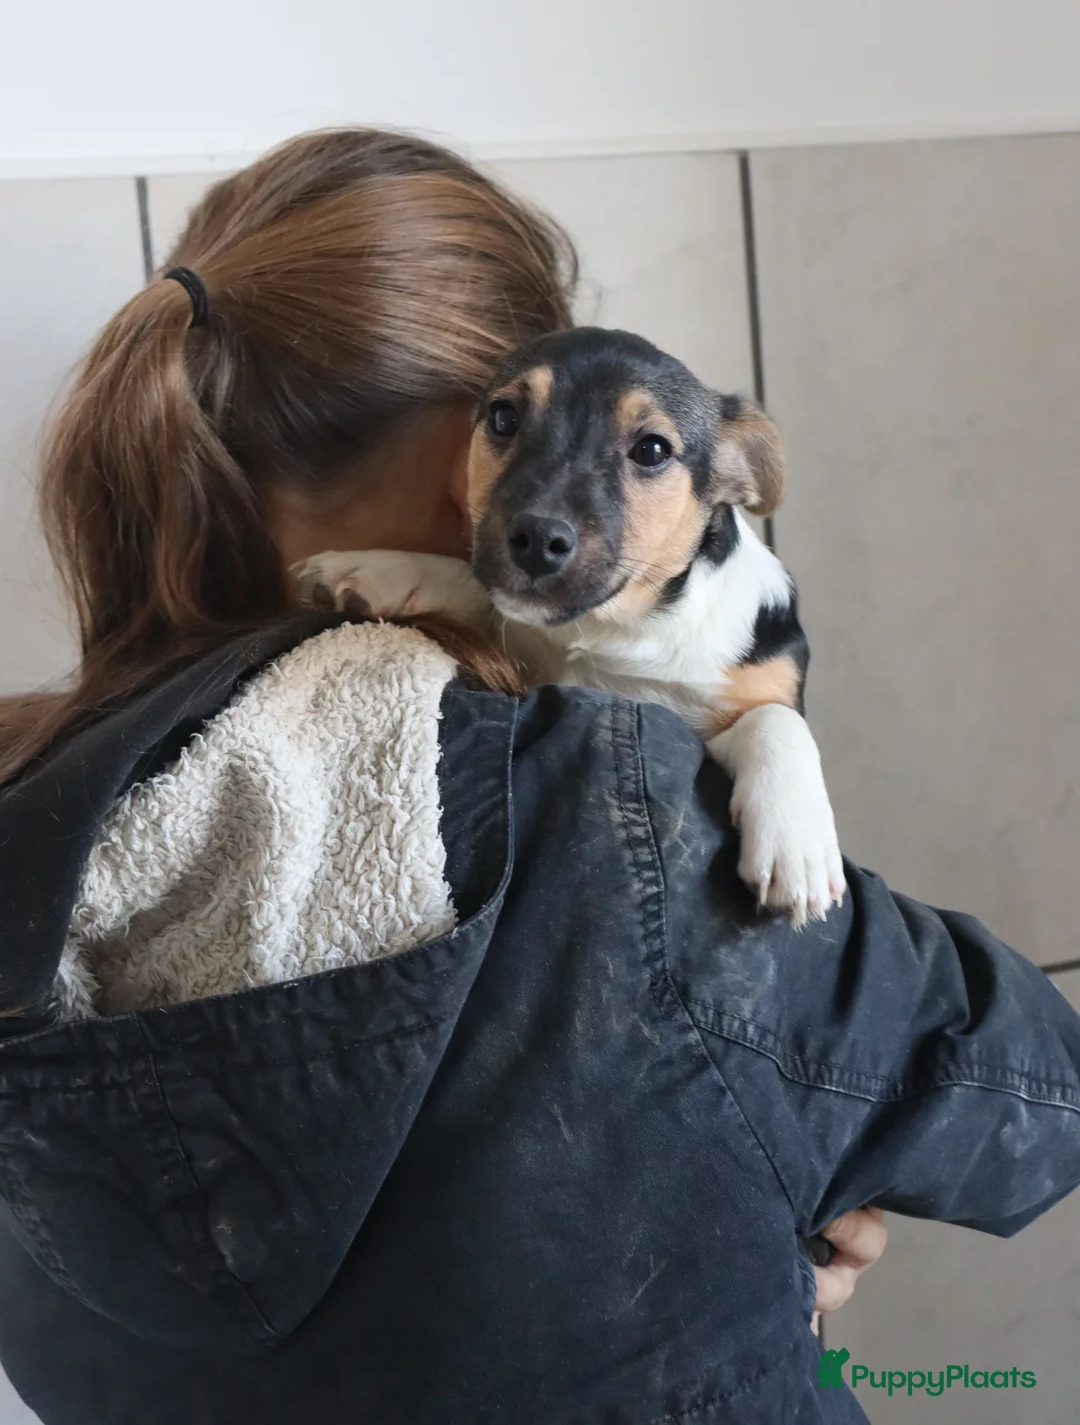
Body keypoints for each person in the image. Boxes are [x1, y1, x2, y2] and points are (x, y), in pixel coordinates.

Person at [0, 129, 1075, 1425]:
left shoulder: (35, 830)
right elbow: (1041, 1103)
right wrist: (789, 1157)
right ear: (479, 433)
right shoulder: (611, 816)